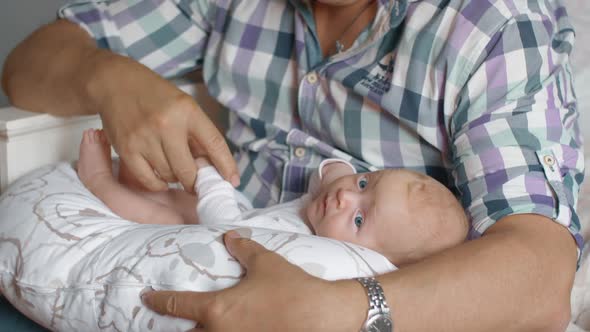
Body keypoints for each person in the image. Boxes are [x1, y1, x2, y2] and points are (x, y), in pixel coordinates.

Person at [1, 0, 583, 330]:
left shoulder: (492, 28)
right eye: (360, 184)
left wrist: (345, 310)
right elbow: (27, 66)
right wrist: (110, 76)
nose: (346, 196)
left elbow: (541, 274)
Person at [78, 128, 469, 267]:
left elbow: (225, 226)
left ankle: (100, 183)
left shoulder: (310, 252)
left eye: (360, 220)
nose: (344, 198)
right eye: (367, 184)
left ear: (372, 257)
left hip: (224, 236)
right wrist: (346, 175)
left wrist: (209, 179)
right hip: (242, 215)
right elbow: (332, 172)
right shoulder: (334, 208)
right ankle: (136, 174)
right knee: (177, 197)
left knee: (166, 218)